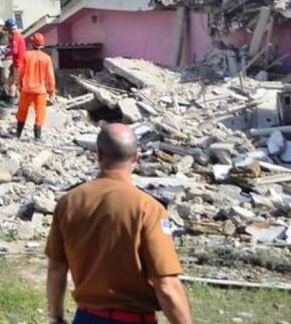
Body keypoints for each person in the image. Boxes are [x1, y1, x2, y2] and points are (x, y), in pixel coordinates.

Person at [45, 123, 192, 324]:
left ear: (98, 155)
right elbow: (166, 284)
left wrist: (55, 316)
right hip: (133, 318)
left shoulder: (69, 202)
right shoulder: (148, 208)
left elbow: (56, 268)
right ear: (136, 158)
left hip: (86, 317)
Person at [14, 33, 56, 140]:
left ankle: (18, 135)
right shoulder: (47, 58)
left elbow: (20, 72)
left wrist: (19, 84)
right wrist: (51, 91)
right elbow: (50, 77)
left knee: (22, 111)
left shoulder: (26, 55)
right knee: (40, 113)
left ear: (32, 44)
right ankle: (37, 138)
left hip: (26, 89)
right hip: (40, 91)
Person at [5, 19, 27, 99]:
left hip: (18, 63)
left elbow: (14, 50)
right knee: (11, 81)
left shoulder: (15, 36)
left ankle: (14, 100)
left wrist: (5, 53)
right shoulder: (19, 35)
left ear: (9, 28)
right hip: (20, 62)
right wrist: (7, 48)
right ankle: (15, 99)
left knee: (13, 83)